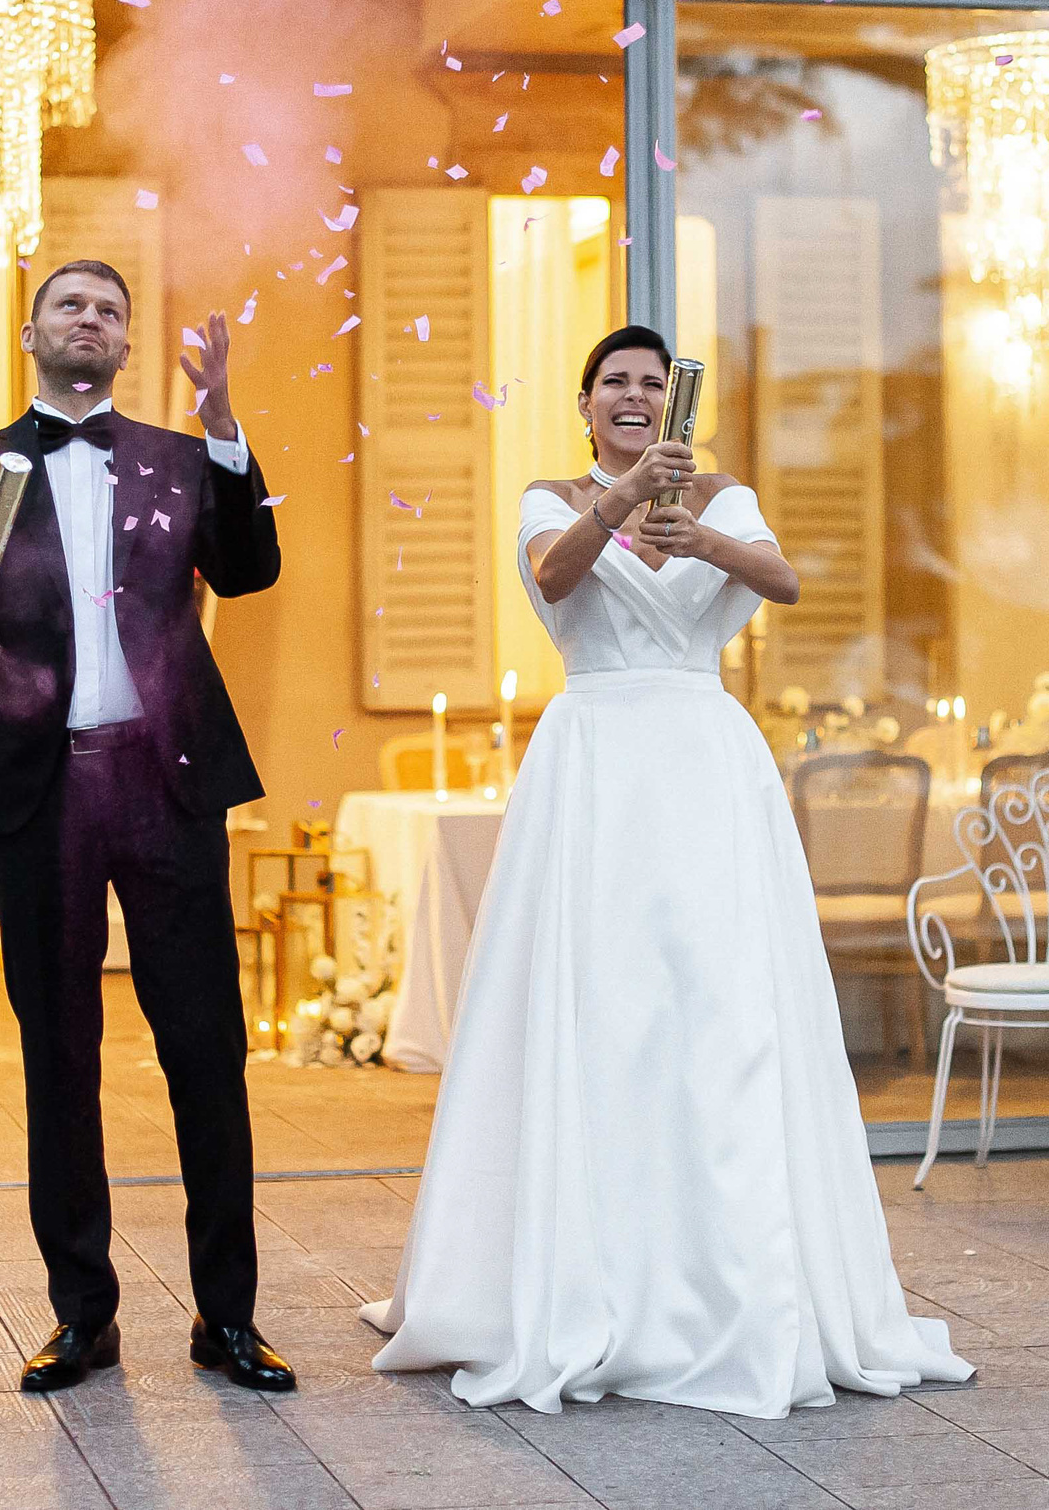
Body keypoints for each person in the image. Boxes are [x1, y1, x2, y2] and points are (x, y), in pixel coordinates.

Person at [360, 324, 973, 1417]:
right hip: (594, 756)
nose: (634, 396)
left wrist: (700, 539)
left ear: (675, 402)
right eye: (614, 384)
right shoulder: (549, 496)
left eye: (651, 383)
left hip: (699, 757)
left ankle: (728, 1279)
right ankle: (571, 1272)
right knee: (593, 1006)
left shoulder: (724, 499)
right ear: (585, 403)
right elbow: (553, 577)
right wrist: (620, 500)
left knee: (714, 1007)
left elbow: (782, 581)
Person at [0, 261, 294, 1395]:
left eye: (109, 311)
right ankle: (83, 1314)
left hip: (164, 785)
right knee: (57, 1053)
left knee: (206, 1051)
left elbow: (251, 569)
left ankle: (227, 1316)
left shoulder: (172, 456)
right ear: (31, 333)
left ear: (125, 344)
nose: (90, 320)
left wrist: (223, 431)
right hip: (38, 789)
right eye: (70, 304)